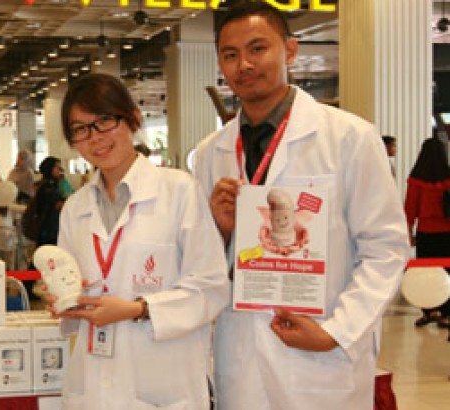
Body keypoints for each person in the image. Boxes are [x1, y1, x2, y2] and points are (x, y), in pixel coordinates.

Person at [192, 3, 410, 409]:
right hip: (239, 352)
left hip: (320, 350)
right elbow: (200, 266)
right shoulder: (211, 153)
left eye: (258, 49)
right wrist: (220, 231)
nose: (245, 65)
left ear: (290, 50)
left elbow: (386, 248)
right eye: (231, 54)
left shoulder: (349, 138)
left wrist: (337, 331)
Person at [47, 73, 229, 409]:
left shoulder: (179, 191)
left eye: (104, 121)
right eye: (81, 129)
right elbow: (75, 290)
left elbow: (211, 288)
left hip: (163, 381)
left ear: (132, 118)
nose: (95, 138)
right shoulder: (76, 208)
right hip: (95, 381)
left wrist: (137, 310)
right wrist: (63, 298)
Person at [404, 137, 450, 332]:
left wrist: (408, 234)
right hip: (447, 234)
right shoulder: (448, 177)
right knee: (447, 273)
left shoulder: (416, 180)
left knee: (425, 272)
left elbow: (409, 208)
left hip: (426, 233)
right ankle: (447, 314)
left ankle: (429, 311)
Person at [34, 156, 64, 246]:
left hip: (46, 228)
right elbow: (57, 205)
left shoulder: (47, 185)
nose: (59, 170)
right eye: (57, 167)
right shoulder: (48, 187)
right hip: (49, 229)